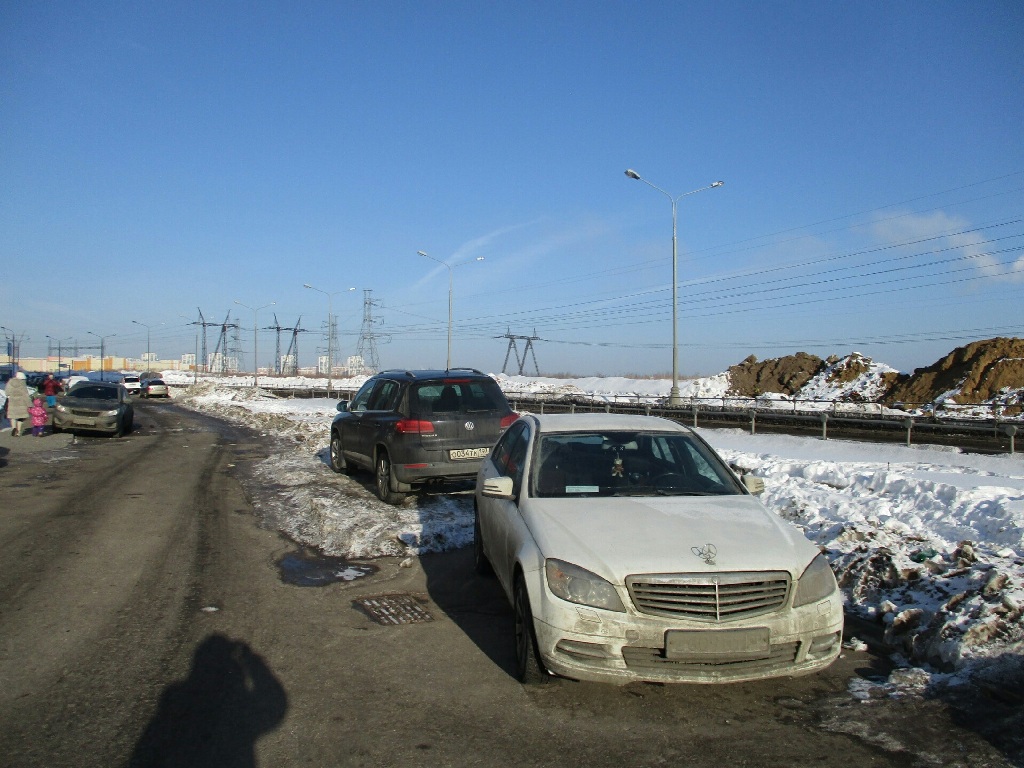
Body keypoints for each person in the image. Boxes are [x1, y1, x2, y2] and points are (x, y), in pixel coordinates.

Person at [4, 372, 32, 436]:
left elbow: (7, 393)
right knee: (21, 417)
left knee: (13, 417)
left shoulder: (10, 382)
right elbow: (26, 395)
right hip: (21, 403)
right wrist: (30, 404)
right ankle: (18, 431)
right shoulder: (22, 384)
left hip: (12, 402)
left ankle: (14, 428)